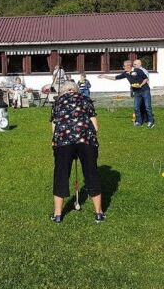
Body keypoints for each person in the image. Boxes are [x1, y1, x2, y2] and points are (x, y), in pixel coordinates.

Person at [50, 80, 103, 223]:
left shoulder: (58, 102)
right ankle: (99, 213)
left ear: (63, 92)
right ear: (76, 90)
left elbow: (54, 128)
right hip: (86, 140)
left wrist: (56, 142)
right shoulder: (86, 99)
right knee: (91, 173)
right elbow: (95, 127)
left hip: (63, 141)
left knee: (61, 175)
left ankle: (57, 214)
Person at [99, 60, 154, 128]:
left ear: (128, 66)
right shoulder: (126, 73)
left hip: (145, 90)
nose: (123, 67)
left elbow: (146, 78)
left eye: (124, 66)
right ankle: (138, 122)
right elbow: (115, 78)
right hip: (136, 92)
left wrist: (141, 85)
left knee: (147, 107)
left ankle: (150, 122)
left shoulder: (138, 70)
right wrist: (104, 76)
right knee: (136, 107)